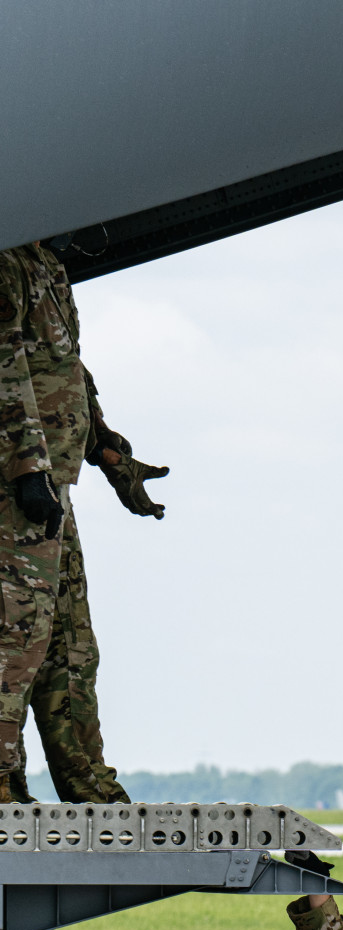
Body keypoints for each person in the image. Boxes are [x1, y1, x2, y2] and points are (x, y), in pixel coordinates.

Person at [0, 238, 167, 804]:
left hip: (53, 484)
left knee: (70, 645)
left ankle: (88, 785)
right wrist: (26, 466)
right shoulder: (7, 260)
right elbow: (4, 364)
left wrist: (111, 456)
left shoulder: (48, 262)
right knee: (14, 639)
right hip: (16, 490)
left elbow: (67, 369)